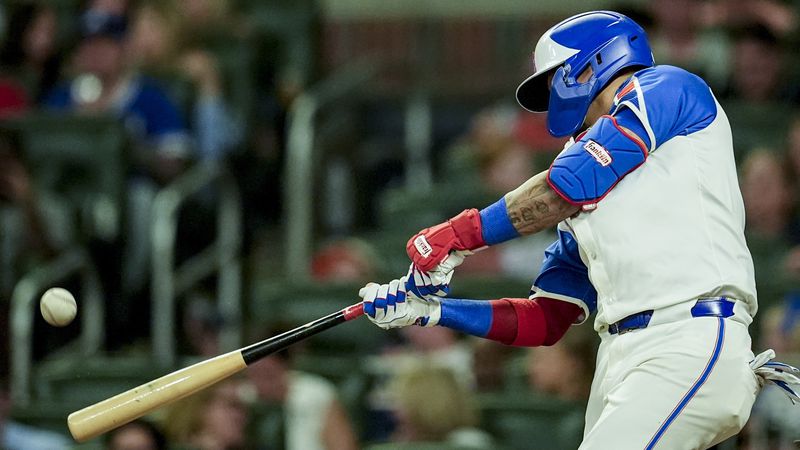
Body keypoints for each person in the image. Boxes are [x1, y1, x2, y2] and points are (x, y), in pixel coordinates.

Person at [358, 11, 800, 449]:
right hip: (621, 357)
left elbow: (569, 183)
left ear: (594, 63)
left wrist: (460, 235)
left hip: (689, 338)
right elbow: (545, 320)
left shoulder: (668, 87)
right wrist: (434, 312)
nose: (551, 97)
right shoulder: (586, 191)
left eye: (554, 80)